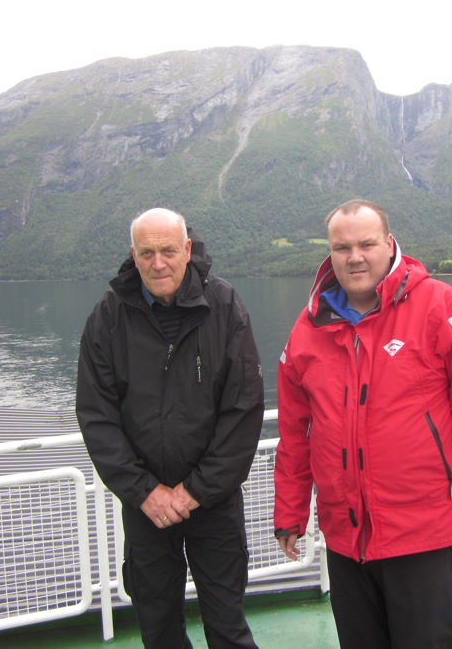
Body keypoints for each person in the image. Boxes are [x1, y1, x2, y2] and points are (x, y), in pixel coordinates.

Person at [273, 199, 452, 649]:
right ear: (329, 252)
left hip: (420, 534)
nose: (355, 257)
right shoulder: (309, 327)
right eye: (342, 248)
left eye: (366, 244)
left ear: (389, 243)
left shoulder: (441, 306)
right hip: (345, 537)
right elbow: (295, 431)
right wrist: (290, 512)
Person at [76, 208, 264, 649]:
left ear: (187, 249)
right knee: (158, 627)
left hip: (213, 503)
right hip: (147, 508)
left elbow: (243, 409)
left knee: (228, 624)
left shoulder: (223, 306)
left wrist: (196, 490)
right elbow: (97, 415)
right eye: (147, 253)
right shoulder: (108, 317)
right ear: (133, 254)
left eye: (168, 251)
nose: (158, 263)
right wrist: (145, 492)